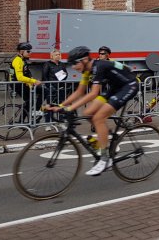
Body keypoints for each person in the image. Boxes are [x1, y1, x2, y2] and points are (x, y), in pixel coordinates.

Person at [52, 46, 138, 176]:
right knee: (87, 113)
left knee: (98, 118)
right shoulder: (87, 71)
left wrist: (70, 108)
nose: (74, 67)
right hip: (115, 87)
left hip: (129, 85)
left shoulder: (99, 66)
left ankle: (105, 159)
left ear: (85, 59)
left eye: (75, 63)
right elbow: (80, 92)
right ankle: (107, 139)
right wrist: (60, 105)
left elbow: (93, 94)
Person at [10, 42, 45, 119]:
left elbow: (27, 74)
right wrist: (33, 81)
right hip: (17, 84)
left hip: (23, 84)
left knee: (43, 90)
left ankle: (35, 110)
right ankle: (22, 121)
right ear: (21, 52)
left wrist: (32, 81)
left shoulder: (23, 60)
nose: (30, 53)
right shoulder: (17, 60)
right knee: (30, 101)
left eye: (30, 51)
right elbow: (20, 77)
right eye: (28, 51)